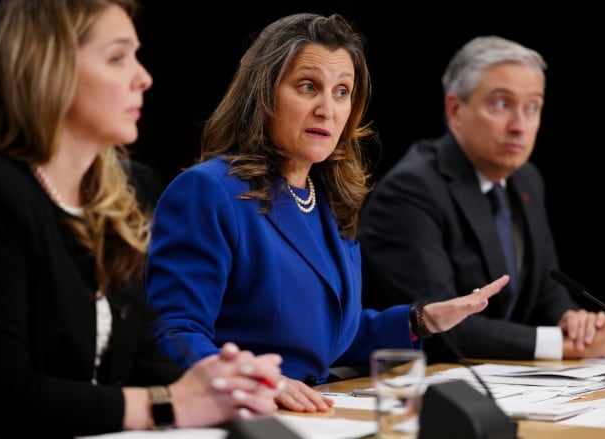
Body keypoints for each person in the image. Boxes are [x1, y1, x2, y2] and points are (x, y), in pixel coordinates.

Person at [0, 0, 284, 436]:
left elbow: (141, 353)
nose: (144, 77)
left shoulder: (121, 192)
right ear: (49, 70)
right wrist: (169, 404)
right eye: (118, 58)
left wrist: (222, 384)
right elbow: (2, 396)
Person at [145, 13, 507, 414]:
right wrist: (259, 380)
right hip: (247, 414)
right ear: (263, 94)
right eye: (307, 87)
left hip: (319, 412)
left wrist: (421, 320)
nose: (327, 109)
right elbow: (174, 330)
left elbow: (326, 336)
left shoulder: (331, 199)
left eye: (341, 92)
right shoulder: (209, 192)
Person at [357, 35, 605, 364]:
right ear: (455, 110)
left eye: (532, 107)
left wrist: (572, 320)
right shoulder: (411, 191)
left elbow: (547, 287)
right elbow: (439, 323)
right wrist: (564, 345)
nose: (520, 126)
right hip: (418, 384)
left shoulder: (526, 179)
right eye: (502, 104)